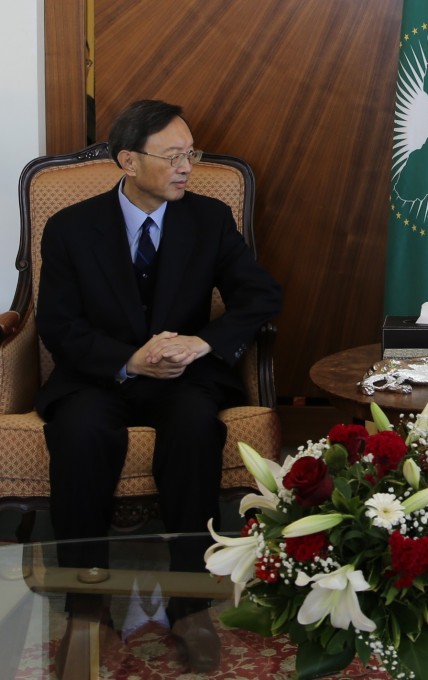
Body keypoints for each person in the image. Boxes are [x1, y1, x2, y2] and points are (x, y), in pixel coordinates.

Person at [36, 99, 282, 676]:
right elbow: (58, 326)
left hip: (181, 378)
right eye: (172, 156)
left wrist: (206, 343)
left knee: (196, 426)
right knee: (79, 430)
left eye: (190, 154)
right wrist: (128, 360)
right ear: (128, 160)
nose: (186, 167)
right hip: (100, 376)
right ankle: (87, 603)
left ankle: (189, 603)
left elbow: (261, 296)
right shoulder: (70, 228)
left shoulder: (208, 219)